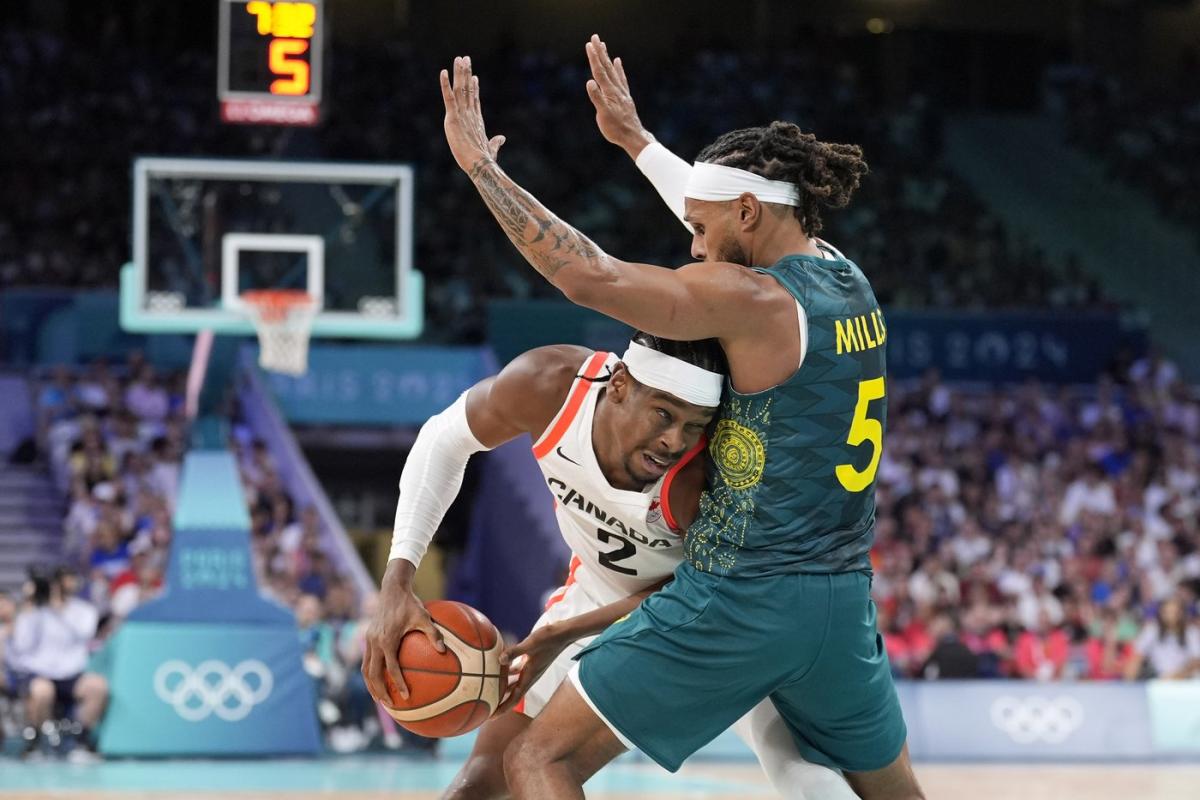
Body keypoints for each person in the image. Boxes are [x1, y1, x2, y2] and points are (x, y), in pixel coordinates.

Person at [437, 36, 921, 799]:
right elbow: (731, 217)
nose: (692, 245)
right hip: (840, 599)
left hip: (743, 595)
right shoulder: (844, 277)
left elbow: (586, 275)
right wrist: (637, 144)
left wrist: (483, 172)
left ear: (751, 213)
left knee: (536, 761)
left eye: (699, 231)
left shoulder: (754, 302)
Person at [365, 332, 854, 799]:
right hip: (598, 591)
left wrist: (561, 633)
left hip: (709, 616)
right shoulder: (551, 387)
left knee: (802, 773)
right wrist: (397, 581)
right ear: (618, 384)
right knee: (483, 778)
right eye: (663, 414)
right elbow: (442, 439)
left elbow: (699, 593)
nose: (673, 441)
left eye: (694, 426)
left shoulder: (701, 480)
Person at [8, 567, 108, 760]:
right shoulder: (35, 611)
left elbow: (85, 633)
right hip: (41, 672)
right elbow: (22, 644)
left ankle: (81, 741)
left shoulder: (82, 610)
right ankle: (39, 741)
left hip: (72, 673)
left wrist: (57, 610)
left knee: (97, 686)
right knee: (41, 691)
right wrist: (31, 609)